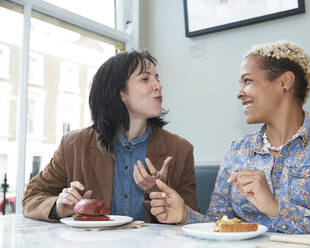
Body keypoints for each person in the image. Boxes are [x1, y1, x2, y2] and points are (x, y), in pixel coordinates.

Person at [149, 41, 310, 238]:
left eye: (247, 81)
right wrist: (184, 214)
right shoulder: (237, 150)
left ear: (285, 82)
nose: (239, 92)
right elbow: (219, 225)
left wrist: (276, 208)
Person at [22, 50, 198, 222]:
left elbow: (192, 219)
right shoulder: (74, 145)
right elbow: (32, 197)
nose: (158, 85)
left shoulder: (180, 150)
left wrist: (161, 196)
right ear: (120, 93)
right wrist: (59, 206)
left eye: (157, 78)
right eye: (145, 79)